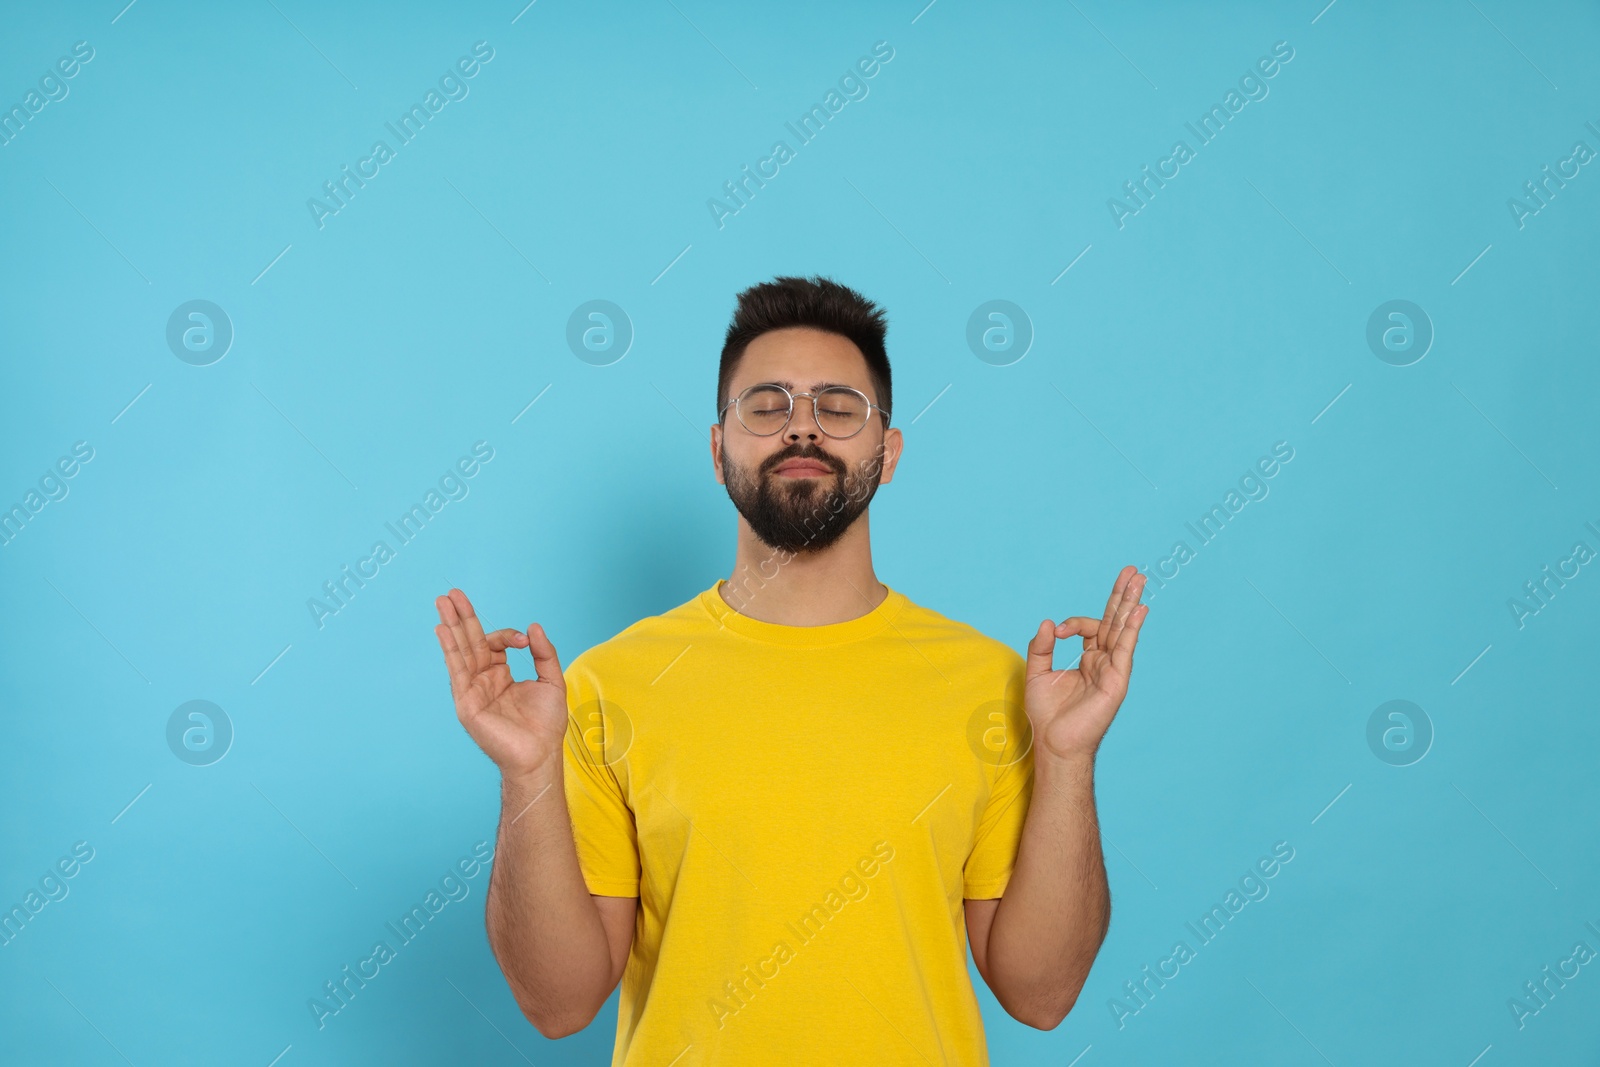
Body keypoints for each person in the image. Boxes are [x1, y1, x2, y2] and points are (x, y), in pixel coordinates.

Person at [433, 275, 1148, 1064]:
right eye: (766, 405)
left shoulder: (993, 685)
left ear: (889, 450)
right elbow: (558, 1004)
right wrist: (528, 771)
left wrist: (1069, 758)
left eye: (838, 406)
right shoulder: (609, 687)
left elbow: (1041, 995)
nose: (801, 428)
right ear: (717, 449)